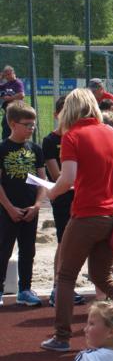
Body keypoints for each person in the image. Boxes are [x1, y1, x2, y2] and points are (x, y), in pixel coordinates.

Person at [41, 89, 113, 352]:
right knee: (103, 276)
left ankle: (61, 336)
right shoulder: (110, 133)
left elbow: (67, 178)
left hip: (86, 214)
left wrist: (51, 192)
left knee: (66, 275)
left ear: (69, 110)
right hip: (112, 215)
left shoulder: (72, 136)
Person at [0, 102, 45, 306]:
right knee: (4, 249)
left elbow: (42, 180)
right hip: (7, 209)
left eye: (33, 124)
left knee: (28, 250)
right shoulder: (2, 148)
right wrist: (9, 208)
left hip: (30, 209)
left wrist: (37, 205)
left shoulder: (35, 149)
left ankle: (25, 289)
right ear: (12, 124)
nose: (31, 128)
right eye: (27, 124)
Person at [42, 96, 85, 307]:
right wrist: (73, 181)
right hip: (62, 197)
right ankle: (56, 287)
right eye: (64, 113)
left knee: (79, 244)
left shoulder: (78, 137)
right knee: (63, 242)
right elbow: (56, 174)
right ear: (57, 115)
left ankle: (68, 285)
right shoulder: (50, 141)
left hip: (81, 196)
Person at [0, 65, 25, 140]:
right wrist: (1, 77)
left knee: (12, 129)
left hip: (16, 110)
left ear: (13, 73)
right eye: (6, 75)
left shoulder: (17, 83)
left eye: (9, 74)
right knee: (6, 128)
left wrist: (9, 98)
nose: (7, 76)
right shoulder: (7, 83)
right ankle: (6, 144)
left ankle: (10, 143)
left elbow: (21, 95)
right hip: (9, 110)